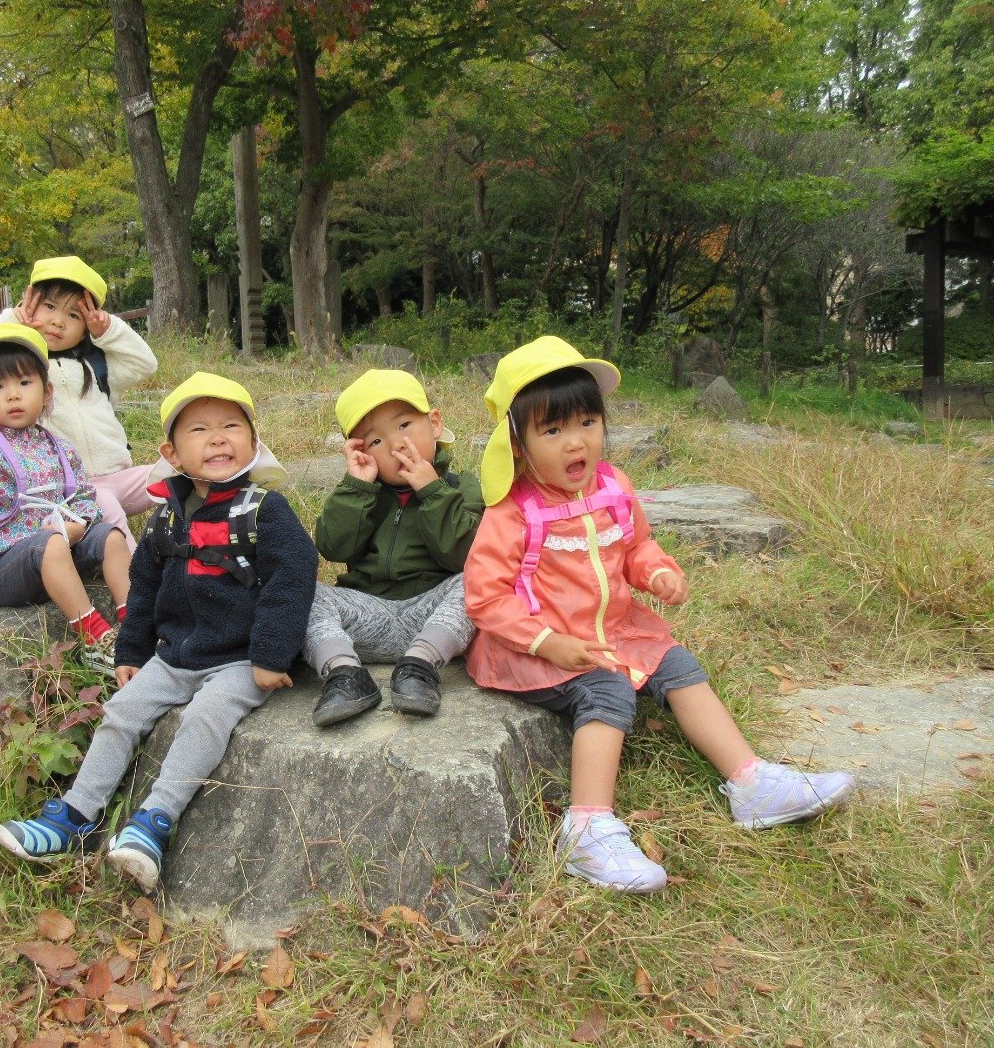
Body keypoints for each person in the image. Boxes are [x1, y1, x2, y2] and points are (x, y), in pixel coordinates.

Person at [463, 336, 856, 893]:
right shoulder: (513, 512)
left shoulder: (613, 487)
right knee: (608, 690)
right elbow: (485, 597)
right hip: (537, 645)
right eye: (552, 431)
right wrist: (547, 641)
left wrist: (658, 572)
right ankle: (587, 828)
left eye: (587, 422)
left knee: (677, 665)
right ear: (518, 445)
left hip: (616, 630)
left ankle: (751, 783)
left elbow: (637, 546)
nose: (576, 441)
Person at [0, 372, 318, 893]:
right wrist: (133, 650)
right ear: (172, 453)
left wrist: (271, 655)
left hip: (239, 660)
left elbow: (294, 577)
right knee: (121, 713)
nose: (218, 438)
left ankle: (153, 823)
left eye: (232, 427)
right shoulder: (166, 518)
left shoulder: (264, 510)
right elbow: (143, 587)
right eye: (199, 430)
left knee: (207, 717)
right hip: (174, 657)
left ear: (254, 443)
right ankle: (75, 817)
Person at [0, 324, 131, 673]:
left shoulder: (58, 447)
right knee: (49, 544)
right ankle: (95, 639)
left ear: (47, 392)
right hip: (1, 570)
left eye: (25, 383)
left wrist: (79, 524)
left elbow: (83, 497)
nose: (13, 396)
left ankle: (135, 623)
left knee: (111, 536)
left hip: (58, 553)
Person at [306, 369, 484, 726]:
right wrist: (357, 488)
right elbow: (333, 548)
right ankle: (344, 673)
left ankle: (420, 666)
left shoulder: (460, 486)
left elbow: (464, 554)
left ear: (435, 423)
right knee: (298, 591)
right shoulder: (361, 492)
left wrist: (432, 491)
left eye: (404, 425)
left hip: (432, 616)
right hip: (366, 615)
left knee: (480, 577)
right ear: (359, 451)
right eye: (375, 441)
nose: (395, 445)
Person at [0, 255, 158, 548]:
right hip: (70, 489)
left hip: (119, 477)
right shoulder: (23, 373)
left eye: (74, 315)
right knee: (107, 506)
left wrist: (108, 330)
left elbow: (145, 364)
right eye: (49, 306)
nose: (58, 321)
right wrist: (13, 323)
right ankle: (134, 573)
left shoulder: (96, 365)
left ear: (86, 327)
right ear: (29, 304)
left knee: (177, 475)